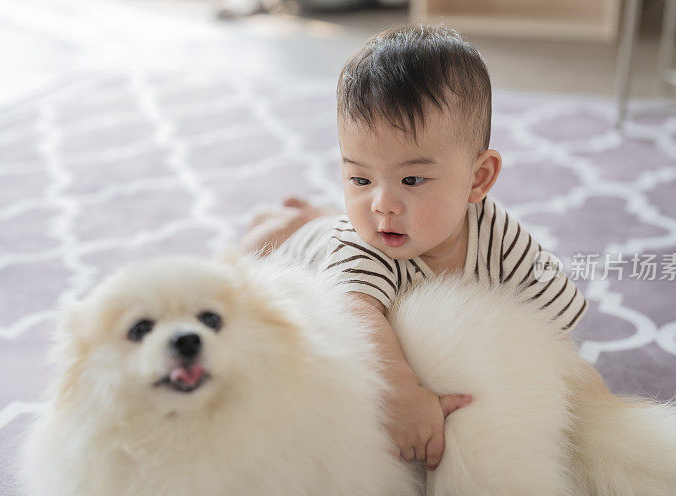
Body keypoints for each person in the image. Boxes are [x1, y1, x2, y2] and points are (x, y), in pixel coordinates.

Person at [239, 23, 588, 472]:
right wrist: (402, 393)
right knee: (257, 254)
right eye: (360, 179)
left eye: (413, 180)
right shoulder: (363, 247)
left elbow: (553, 325)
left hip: (339, 229)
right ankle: (292, 222)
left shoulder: (499, 235)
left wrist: (576, 393)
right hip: (306, 251)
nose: (383, 203)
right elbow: (352, 313)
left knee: (335, 220)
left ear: (478, 179)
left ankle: (315, 214)